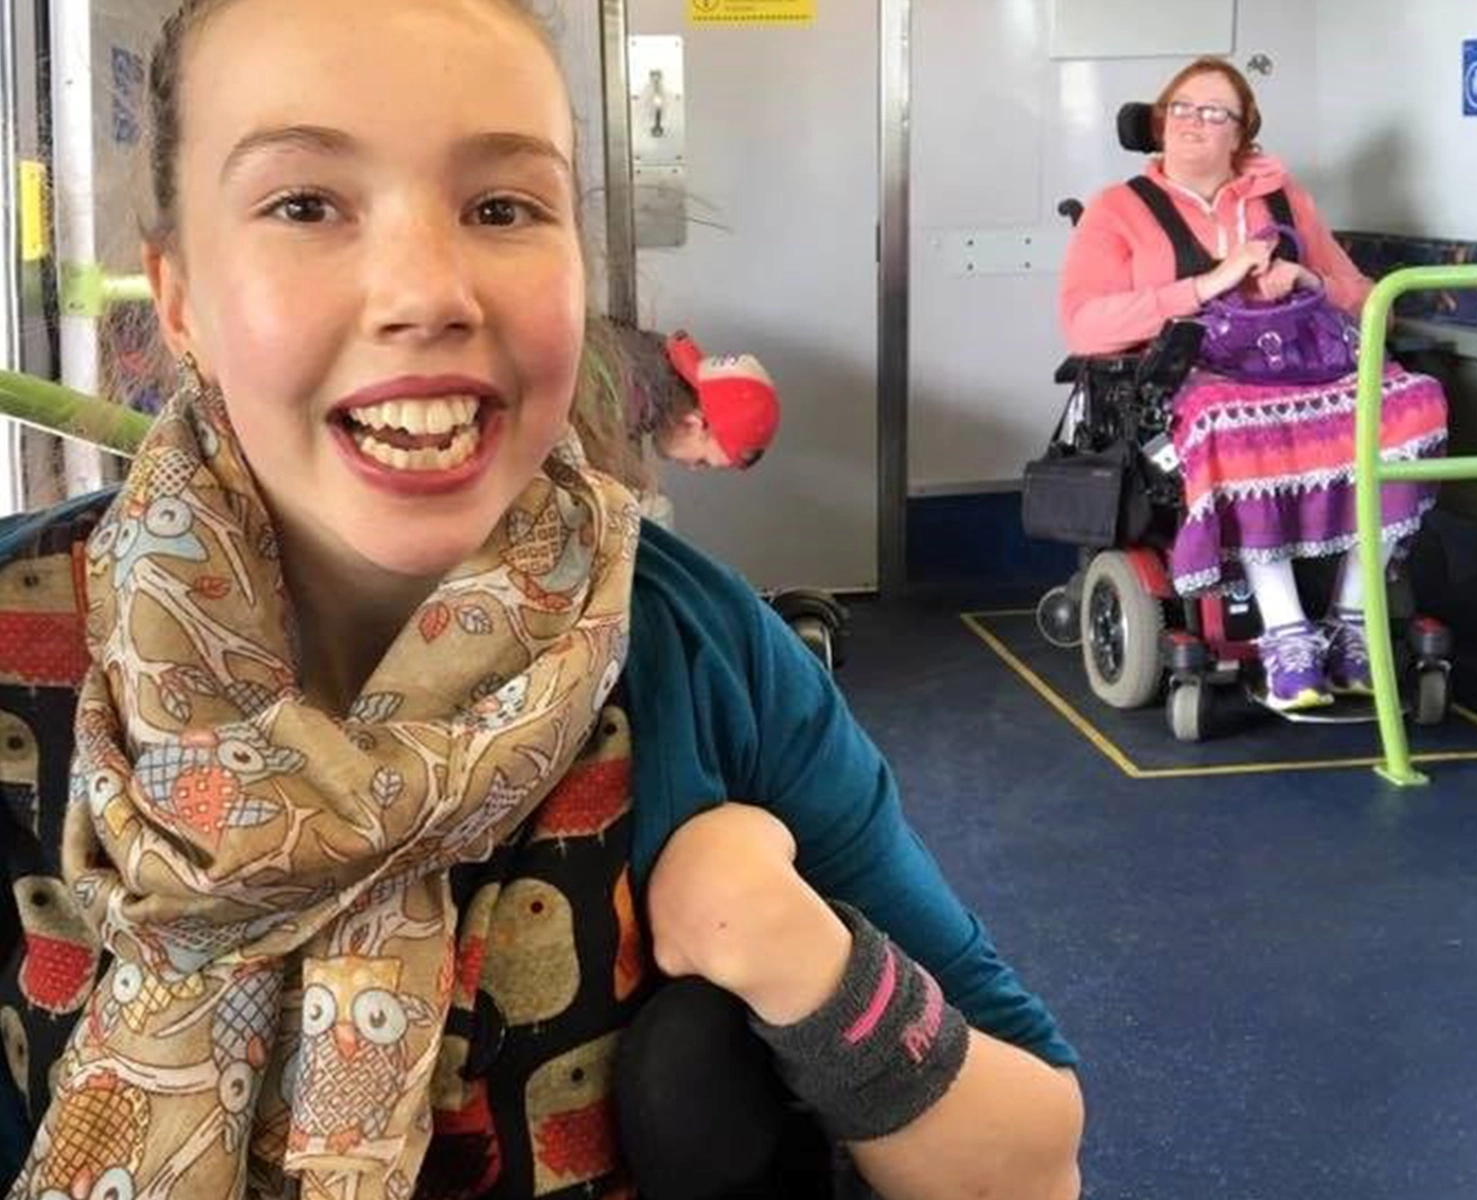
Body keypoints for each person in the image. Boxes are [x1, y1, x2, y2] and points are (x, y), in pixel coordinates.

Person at [0, 3, 1083, 1200]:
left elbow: (1031, 1164)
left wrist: (814, 971)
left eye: (503, 208)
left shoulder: (693, 652)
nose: (427, 293)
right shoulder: (24, 643)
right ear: (182, 294)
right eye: (305, 205)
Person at [1059, 57, 1448, 711]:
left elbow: (1365, 296)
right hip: (1195, 382)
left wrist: (1306, 281)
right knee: (1233, 423)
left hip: (1304, 369)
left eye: (1215, 112)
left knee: (1415, 400)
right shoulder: (1118, 210)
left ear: (1242, 133)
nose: (1192, 121)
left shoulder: (1284, 199)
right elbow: (1083, 323)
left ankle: (1353, 619)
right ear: (1158, 122)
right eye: (1180, 107)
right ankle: (1287, 634)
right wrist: (1207, 284)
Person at [586, 319, 780, 474]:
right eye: (703, 461)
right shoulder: (634, 397)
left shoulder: (655, 354)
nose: (692, 468)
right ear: (694, 424)